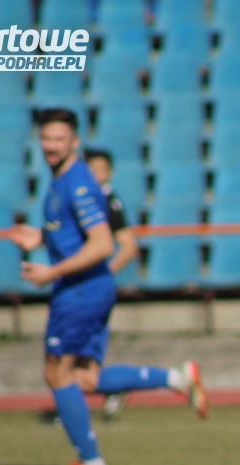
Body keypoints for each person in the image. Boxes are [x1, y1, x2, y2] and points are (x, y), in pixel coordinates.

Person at [9, 108, 208, 465]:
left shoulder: (78, 184)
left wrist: (51, 271)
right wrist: (40, 237)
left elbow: (102, 245)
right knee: (84, 378)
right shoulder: (61, 181)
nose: (51, 145)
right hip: (85, 288)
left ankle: (91, 461)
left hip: (80, 291)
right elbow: (74, 235)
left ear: (75, 142)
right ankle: (175, 378)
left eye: (59, 139)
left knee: (57, 372)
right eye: (46, 138)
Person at [84, 147, 139, 421]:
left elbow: (129, 246)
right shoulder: (78, 200)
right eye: (90, 170)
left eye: (100, 170)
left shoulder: (110, 204)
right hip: (74, 285)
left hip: (91, 288)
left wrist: (104, 273)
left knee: (80, 353)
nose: (95, 175)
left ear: (110, 173)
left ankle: (116, 386)